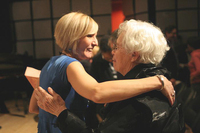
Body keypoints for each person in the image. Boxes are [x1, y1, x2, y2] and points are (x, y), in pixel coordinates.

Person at [35, 19, 183, 133]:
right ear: (73, 37)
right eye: (90, 35)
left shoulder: (51, 62)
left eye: (117, 47)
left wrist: (60, 112)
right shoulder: (161, 80)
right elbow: (97, 91)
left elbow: (33, 106)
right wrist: (159, 80)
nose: (97, 42)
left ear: (134, 55)